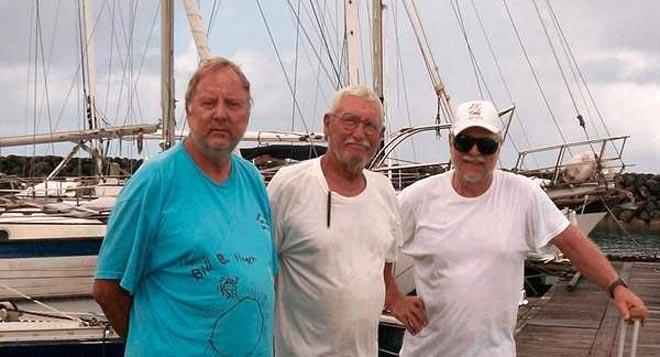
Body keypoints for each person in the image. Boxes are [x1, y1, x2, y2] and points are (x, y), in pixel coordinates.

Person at [384, 100, 649, 356]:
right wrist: (394, 298)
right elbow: (372, 245)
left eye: (486, 144)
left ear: (499, 146)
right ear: (451, 142)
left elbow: (571, 242)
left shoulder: (523, 193)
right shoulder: (417, 198)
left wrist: (616, 287)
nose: (474, 152)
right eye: (465, 142)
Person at [92, 57, 277, 356]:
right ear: (189, 111)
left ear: (248, 111)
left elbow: (268, 273)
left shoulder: (253, 180)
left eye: (232, 104)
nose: (220, 114)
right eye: (208, 103)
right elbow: (107, 290)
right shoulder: (154, 182)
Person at [268, 85, 424, 356]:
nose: (359, 133)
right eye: (350, 121)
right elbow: (262, 272)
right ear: (328, 125)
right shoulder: (288, 186)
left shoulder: (385, 191)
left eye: (370, 126)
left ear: (381, 136)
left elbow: (383, 268)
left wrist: (397, 299)